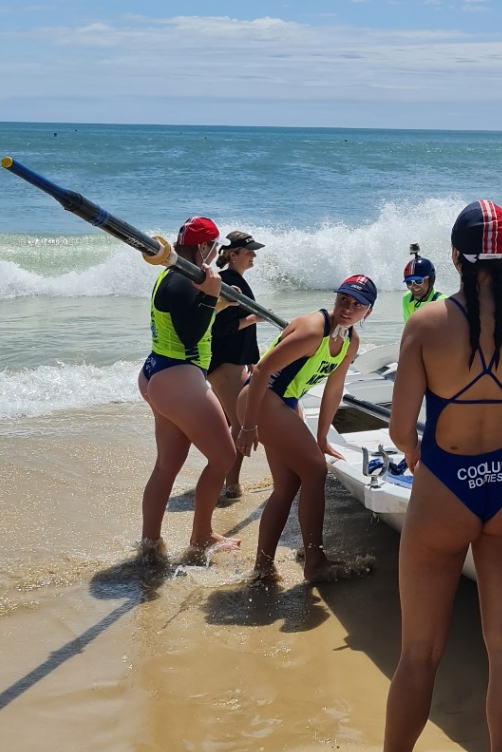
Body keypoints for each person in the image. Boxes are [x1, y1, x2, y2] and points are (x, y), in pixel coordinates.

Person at [353, 202, 502, 752]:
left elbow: (397, 427)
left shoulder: (426, 324)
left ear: (452, 255)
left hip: (446, 485)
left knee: (419, 652)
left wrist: (424, 465)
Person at [243, 274, 376, 584]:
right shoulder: (313, 330)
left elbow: (334, 388)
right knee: (315, 472)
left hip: (285, 403)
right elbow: (261, 371)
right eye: (344, 299)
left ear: (368, 313)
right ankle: (314, 561)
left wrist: (321, 437)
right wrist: (247, 427)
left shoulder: (350, 341)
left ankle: (262, 568)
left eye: (358, 305)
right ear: (335, 298)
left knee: (287, 487)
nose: (348, 308)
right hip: (261, 399)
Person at [137, 215, 241, 562]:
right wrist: (212, 297)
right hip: (179, 377)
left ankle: (150, 544)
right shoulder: (184, 280)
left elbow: (190, 315)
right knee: (224, 457)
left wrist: (221, 302)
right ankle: (201, 537)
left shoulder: (174, 275)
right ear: (202, 247)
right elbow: (190, 334)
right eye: (213, 247)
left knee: (168, 464)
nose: (214, 253)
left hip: (159, 374)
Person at [207, 230, 265, 503]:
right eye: (249, 251)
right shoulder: (230, 282)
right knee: (241, 424)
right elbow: (221, 327)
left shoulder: (235, 280)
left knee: (232, 422)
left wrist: (253, 359)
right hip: (224, 362)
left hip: (235, 361)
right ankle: (231, 484)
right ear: (233, 255)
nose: (253, 255)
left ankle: (227, 480)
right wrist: (253, 318)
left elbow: (241, 332)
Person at [402, 245, 442, 320]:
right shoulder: (407, 298)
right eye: (409, 282)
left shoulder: (442, 303)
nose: (413, 286)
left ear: (431, 280)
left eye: (418, 281)